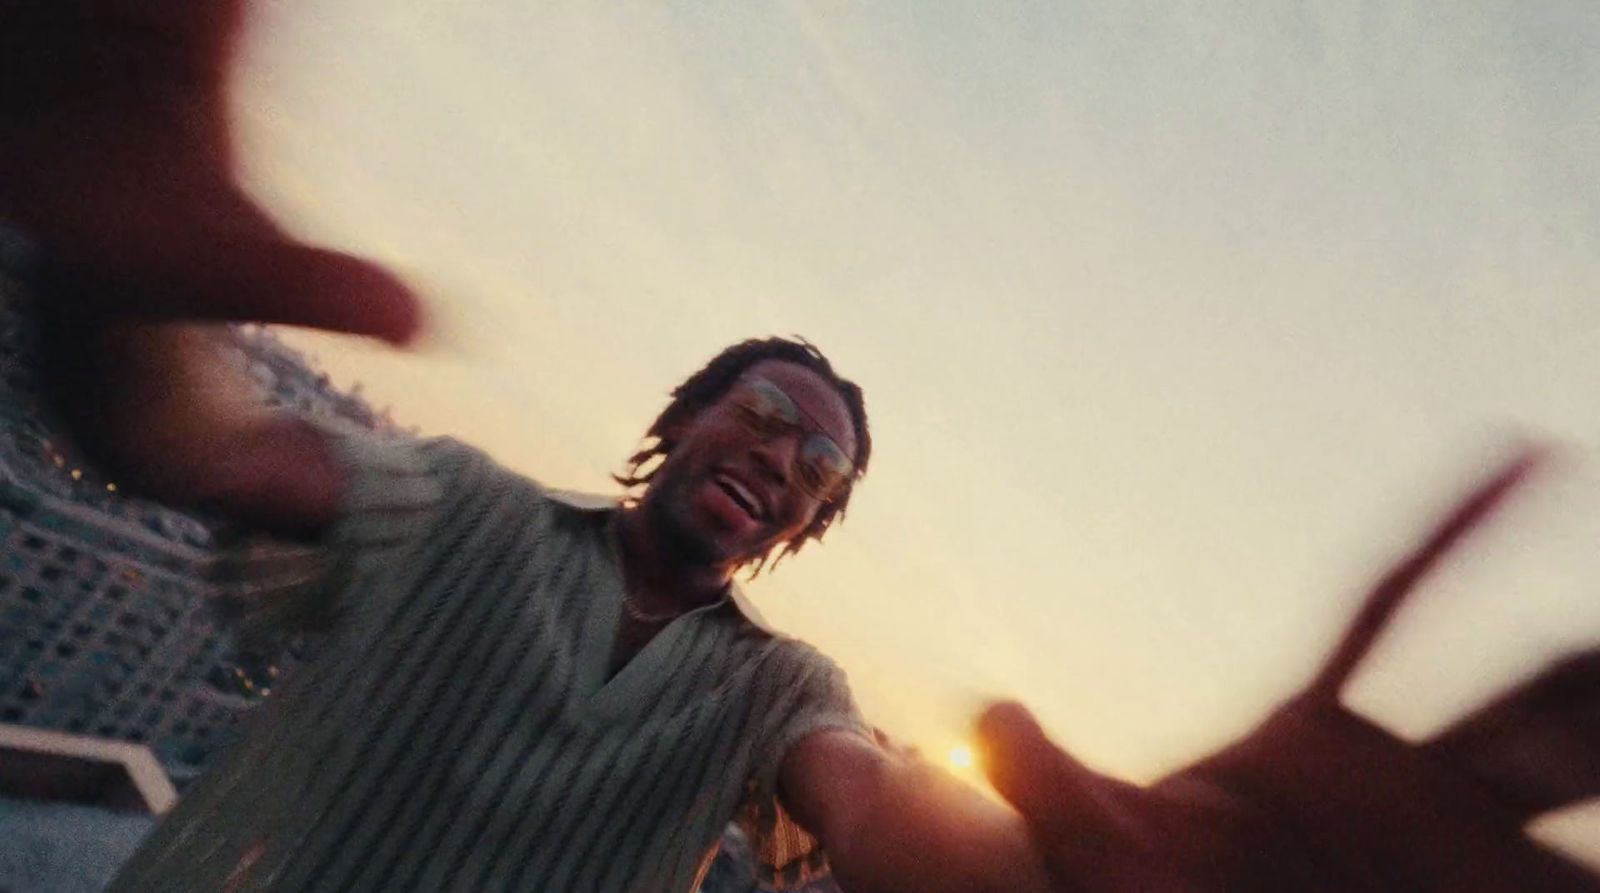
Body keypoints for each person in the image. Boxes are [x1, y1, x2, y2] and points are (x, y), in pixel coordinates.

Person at [4, 3, 1599, 891]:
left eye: (818, 467)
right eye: (764, 414)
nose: (782, 457)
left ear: (798, 529)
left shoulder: (778, 691)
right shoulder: (454, 510)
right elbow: (192, 441)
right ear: (684, 421)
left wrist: (1131, 874)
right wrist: (117, 292)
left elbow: (895, 816)